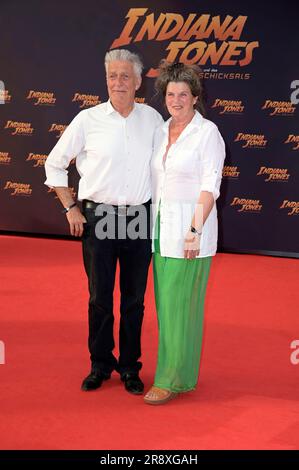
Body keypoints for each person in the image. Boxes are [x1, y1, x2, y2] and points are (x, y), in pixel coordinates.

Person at [44, 49, 162, 395]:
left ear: (139, 82)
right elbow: (54, 164)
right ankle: (99, 364)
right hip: (99, 217)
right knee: (99, 297)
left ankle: (129, 366)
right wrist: (71, 208)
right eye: (112, 76)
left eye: (126, 76)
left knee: (134, 299)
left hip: (139, 215)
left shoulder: (154, 120)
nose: (118, 82)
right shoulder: (88, 120)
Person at [144, 62, 225, 405]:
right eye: (170, 94)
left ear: (195, 97)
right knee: (168, 306)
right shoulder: (161, 130)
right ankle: (183, 372)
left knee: (179, 306)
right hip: (159, 228)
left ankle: (169, 379)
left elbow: (210, 186)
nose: (176, 100)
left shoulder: (208, 133)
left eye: (183, 94)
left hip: (189, 230)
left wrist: (194, 230)